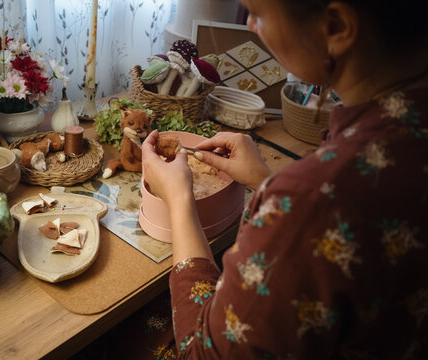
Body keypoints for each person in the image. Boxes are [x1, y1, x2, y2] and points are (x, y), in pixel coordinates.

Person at [72, 1, 427, 359]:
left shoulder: (314, 203)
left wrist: (180, 200)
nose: (251, 26)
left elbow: (201, 353)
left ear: (336, 26)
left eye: (257, 12)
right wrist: (265, 179)